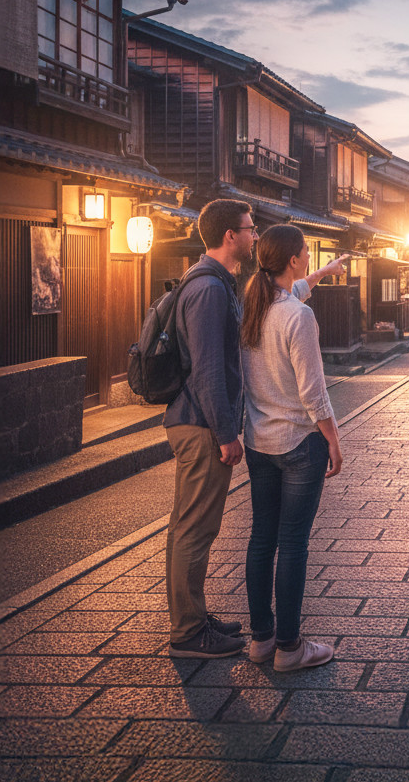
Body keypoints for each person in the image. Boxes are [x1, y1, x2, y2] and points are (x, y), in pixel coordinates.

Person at [240, 224, 344, 672]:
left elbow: (295, 289)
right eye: (305, 252)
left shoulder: (252, 306)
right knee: (293, 542)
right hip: (300, 442)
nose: (307, 257)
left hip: (258, 441)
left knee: (261, 538)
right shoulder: (298, 317)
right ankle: (289, 647)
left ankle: (262, 640)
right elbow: (313, 392)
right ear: (293, 259)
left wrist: (325, 272)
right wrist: (333, 439)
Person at [164, 198, 255, 658]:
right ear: (229, 236)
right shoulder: (209, 289)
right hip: (201, 426)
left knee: (190, 526)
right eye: (250, 228)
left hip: (199, 421)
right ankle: (187, 631)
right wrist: (225, 433)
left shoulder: (215, 282)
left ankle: (194, 616)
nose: (254, 236)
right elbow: (207, 370)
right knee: (195, 529)